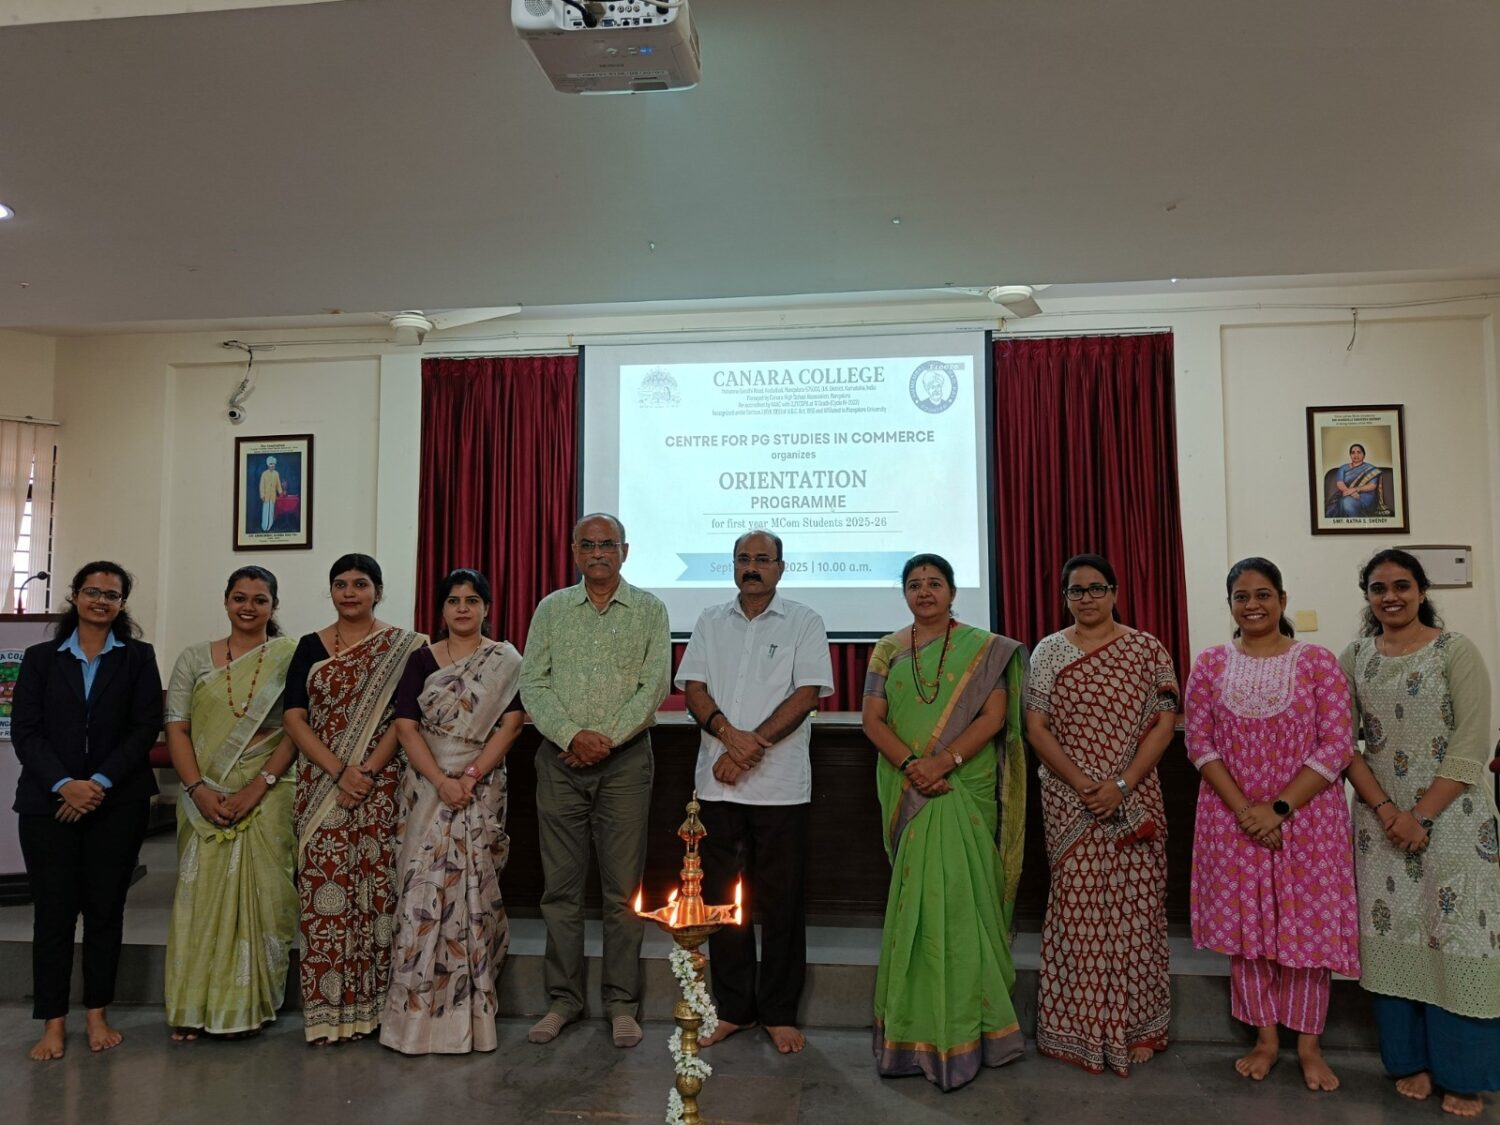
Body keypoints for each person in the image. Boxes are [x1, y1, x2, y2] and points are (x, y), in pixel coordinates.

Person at [1184, 557, 1358, 1091]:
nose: (1252, 605)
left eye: (1263, 594)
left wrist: (1277, 809)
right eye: (1241, 596)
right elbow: (1199, 743)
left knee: (1308, 929)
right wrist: (1246, 811)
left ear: (1282, 600)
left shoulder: (1317, 662)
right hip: (1231, 817)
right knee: (1248, 932)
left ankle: (1308, 1046)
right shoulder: (1210, 664)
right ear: (1230, 604)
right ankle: (1264, 1040)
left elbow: (1338, 745)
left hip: (1307, 817)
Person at [1339, 548, 1500, 1118]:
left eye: (1401, 586)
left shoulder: (1456, 651)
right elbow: (1341, 743)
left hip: (1455, 819)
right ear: (1367, 596)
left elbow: (1472, 743)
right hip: (1379, 824)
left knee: (1459, 934)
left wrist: (1421, 815)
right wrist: (1388, 811)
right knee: (1394, 931)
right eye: (1378, 588)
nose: (1391, 597)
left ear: (1422, 590)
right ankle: (1411, 1062)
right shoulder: (1355, 657)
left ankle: (1463, 1073)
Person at [861, 552, 1028, 1091]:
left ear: (953, 593)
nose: (925, 591)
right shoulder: (887, 649)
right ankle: (913, 1030)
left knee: (963, 902)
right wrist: (914, 765)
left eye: (935, 583)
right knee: (919, 904)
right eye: (915, 584)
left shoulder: (984, 649)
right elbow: (872, 720)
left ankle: (975, 1030)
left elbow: (994, 717)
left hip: (963, 785)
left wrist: (944, 762)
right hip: (909, 785)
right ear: (904, 594)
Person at [678, 530, 834, 1055]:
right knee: (723, 902)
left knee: (782, 902)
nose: (752, 567)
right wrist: (730, 737)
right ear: (732, 566)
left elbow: (807, 694)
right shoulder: (710, 620)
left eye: (763, 559)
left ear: (780, 568)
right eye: (743, 559)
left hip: (780, 787)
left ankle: (779, 1012)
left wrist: (749, 747)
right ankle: (734, 1009)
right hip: (717, 784)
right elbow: (693, 689)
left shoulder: (804, 621)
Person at [520, 513, 670, 1049]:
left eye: (608, 544)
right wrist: (571, 736)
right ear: (574, 551)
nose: (599, 553)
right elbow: (532, 682)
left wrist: (602, 740)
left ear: (625, 551)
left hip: (625, 764)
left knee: (622, 891)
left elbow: (655, 686)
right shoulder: (552, 609)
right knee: (560, 890)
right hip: (560, 763)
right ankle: (563, 1001)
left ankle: (621, 1004)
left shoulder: (650, 610)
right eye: (589, 545)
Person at [1024, 553, 1177, 1076]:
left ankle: (1137, 1027)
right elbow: (1037, 727)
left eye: (1096, 588)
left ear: (1114, 592)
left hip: (1134, 800)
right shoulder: (1049, 651)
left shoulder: (1146, 649)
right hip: (1071, 802)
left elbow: (1164, 723)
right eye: (1076, 590)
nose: (1086, 598)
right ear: (1065, 597)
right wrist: (1083, 784)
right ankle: (1078, 1028)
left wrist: (1121, 784)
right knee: (1077, 915)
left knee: (1138, 914)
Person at [10, 561, 163, 1061]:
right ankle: (53, 1021)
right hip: (47, 804)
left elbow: (144, 728)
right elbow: (26, 730)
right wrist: (64, 785)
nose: (101, 601)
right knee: (53, 915)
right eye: (92, 591)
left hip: (116, 803)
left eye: (111, 595)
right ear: (75, 596)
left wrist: (96, 784)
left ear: (122, 604)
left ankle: (97, 1013)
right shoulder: (40, 658)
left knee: (105, 912)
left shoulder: (138, 657)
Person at [380, 568, 526, 1055]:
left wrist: (470, 776)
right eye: (453, 600)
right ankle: (413, 1023)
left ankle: (470, 1019)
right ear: (441, 610)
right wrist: (442, 781)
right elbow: (405, 726)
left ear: (486, 607)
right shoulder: (422, 659)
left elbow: (511, 725)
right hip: (427, 790)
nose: (463, 608)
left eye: (472, 600)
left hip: (479, 789)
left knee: (473, 900)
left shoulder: (504, 661)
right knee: (419, 898)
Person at [282, 553, 423, 1044]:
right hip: (322, 787)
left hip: (380, 788)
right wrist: (339, 771)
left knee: (378, 897)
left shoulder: (406, 647)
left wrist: (366, 772)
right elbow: (294, 717)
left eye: (360, 584)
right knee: (324, 899)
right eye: (340, 584)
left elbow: (405, 717)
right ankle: (327, 1017)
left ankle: (376, 1012)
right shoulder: (309, 645)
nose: (349, 593)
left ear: (378, 592)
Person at [163, 566, 299, 1041]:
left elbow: (298, 729)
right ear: (225, 601)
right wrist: (198, 789)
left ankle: (250, 1007)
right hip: (204, 793)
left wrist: (258, 786)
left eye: (260, 599)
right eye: (240, 597)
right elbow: (176, 727)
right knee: (200, 899)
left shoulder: (290, 656)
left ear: (273, 606)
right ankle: (193, 1008)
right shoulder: (193, 658)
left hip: (270, 792)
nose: (248, 607)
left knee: (267, 900)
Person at [1325, 443, 1385, 518]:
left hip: (1367, 496)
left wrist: (1355, 489)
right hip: (1347, 493)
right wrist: (1350, 492)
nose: (1356, 455)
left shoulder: (1371, 469)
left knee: (1346, 502)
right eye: (1353, 452)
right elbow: (1340, 483)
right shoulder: (1343, 468)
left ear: (1364, 455)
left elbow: (1372, 486)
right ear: (1350, 455)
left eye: (1359, 452)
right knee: (1344, 501)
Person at [258, 456, 284, 533]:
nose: (272, 466)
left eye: (273, 464)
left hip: (272, 496)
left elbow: (278, 484)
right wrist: (262, 495)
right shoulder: (264, 474)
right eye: (270, 464)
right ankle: (264, 527)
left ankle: (269, 526)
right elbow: (261, 485)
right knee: (266, 511)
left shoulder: (276, 474)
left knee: (271, 512)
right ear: (268, 465)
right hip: (266, 497)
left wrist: (280, 492)